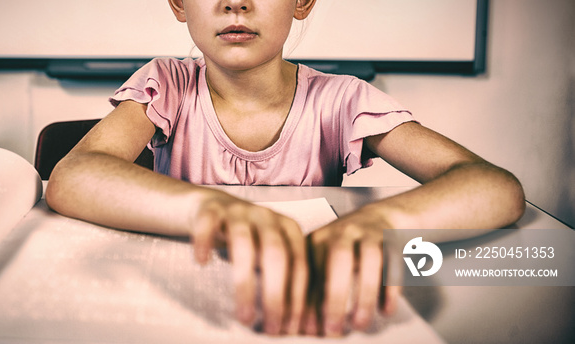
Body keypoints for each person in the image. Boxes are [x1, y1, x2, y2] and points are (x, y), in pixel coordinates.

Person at [46, 0, 525, 337]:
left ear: (302, 0)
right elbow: (74, 175)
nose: (236, 3)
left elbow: (495, 187)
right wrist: (212, 208)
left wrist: (383, 223)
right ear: (178, 2)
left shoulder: (341, 99)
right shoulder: (167, 83)